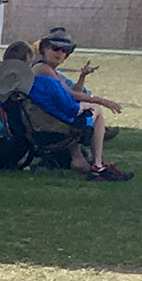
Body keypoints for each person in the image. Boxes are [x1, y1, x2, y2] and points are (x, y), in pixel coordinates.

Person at [33, 28, 131, 180]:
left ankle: (80, 158)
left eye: (64, 50)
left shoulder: (51, 71)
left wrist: (82, 77)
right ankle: (97, 163)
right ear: (45, 48)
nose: (59, 53)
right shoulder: (42, 69)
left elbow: (72, 95)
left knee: (87, 110)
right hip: (46, 123)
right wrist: (101, 100)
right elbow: (72, 95)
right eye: (55, 48)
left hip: (50, 118)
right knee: (95, 110)